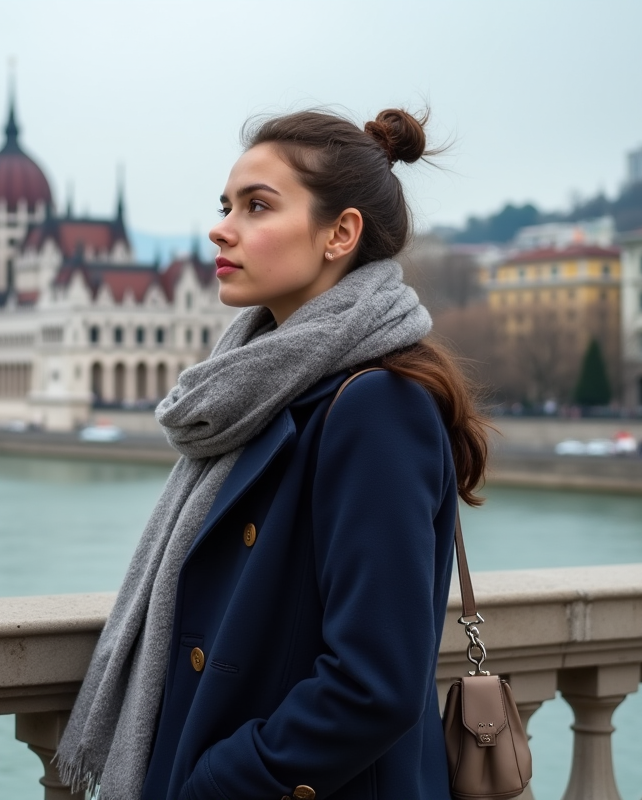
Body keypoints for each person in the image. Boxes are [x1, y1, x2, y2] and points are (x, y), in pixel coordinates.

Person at [56, 108, 490, 800]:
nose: (221, 228)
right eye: (226, 205)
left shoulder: (378, 406)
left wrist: (218, 785)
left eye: (257, 206)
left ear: (340, 233)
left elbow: (373, 684)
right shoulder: (263, 390)